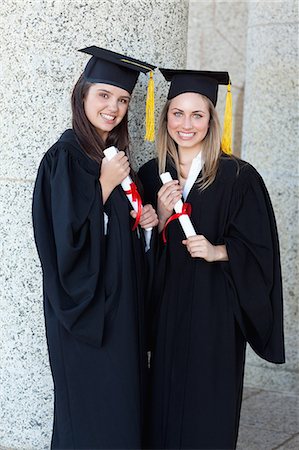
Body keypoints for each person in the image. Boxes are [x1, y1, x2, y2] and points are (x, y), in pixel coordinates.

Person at [138, 69, 285, 450]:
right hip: (169, 311)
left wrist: (219, 251)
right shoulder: (152, 174)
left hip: (215, 312)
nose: (186, 125)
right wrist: (160, 218)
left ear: (212, 120)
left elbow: (262, 250)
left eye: (197, 115)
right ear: (165, 116)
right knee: (164, 404)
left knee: (208, 404)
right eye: (177, 113)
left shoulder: (239, 177)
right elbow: (136, 250)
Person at [32, 46, 158, 449]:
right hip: (86, 317)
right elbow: (63, 243)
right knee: (90, 416)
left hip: (122, 313)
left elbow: (123, 240)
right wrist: (102, 187)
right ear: (82, 94)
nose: (114, 107)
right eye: (104, 95)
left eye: (122, 99)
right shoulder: (64, 158)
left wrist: (145, 226)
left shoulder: (117, 160)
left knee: (122, 412)